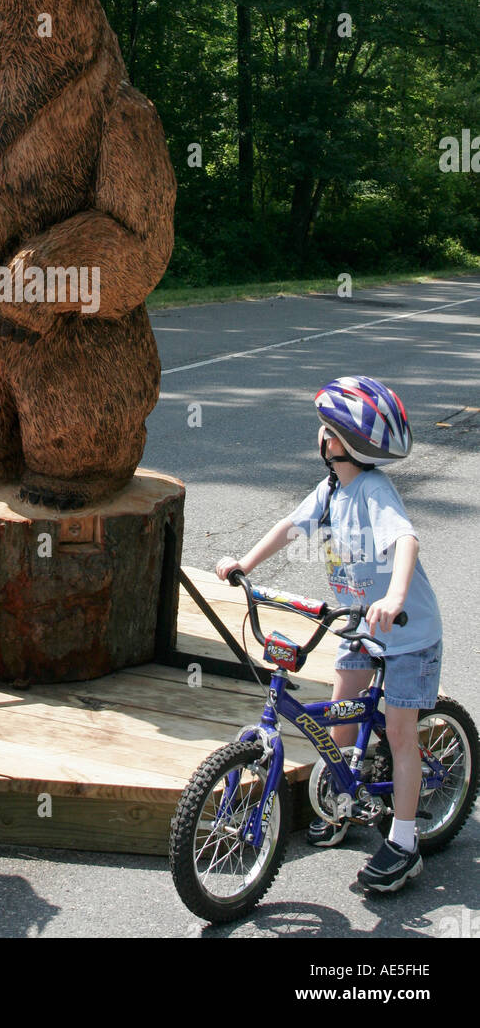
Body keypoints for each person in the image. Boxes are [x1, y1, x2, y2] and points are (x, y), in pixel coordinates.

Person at [216, 376, 442, 894]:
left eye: (325, 429)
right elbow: (291, 527)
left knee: (403, 734)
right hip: (361, 626)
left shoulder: (374, 491)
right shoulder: (333, 489)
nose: (319, 435)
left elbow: (405, 541)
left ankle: (404, 844)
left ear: (342, 442)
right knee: (340, 712)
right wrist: (244, 564)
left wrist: (395, 597)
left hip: (406, 632)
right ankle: (342, 797)